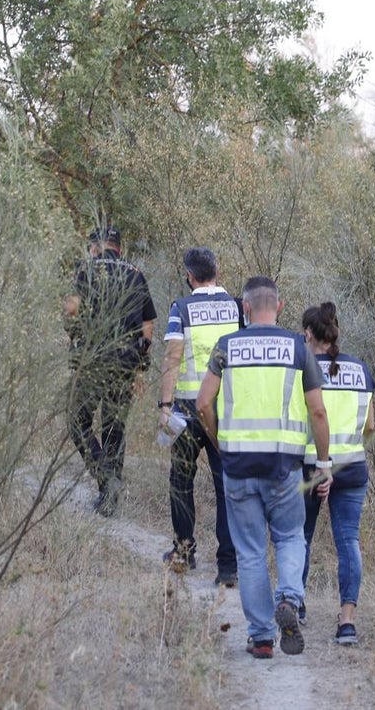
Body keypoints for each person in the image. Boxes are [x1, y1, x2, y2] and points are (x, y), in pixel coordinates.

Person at [196, 276, 332, 660]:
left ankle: (260, 637)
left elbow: (203, 403)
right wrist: (323, 463)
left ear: (244, 307)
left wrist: (221, 441)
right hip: (283, 467)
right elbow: (318, 411)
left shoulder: (226, 347)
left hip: (237, 466)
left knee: (251, 552)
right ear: (281, 306)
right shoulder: (297, 347)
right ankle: (289, 597)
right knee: (290, 538)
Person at [157, 247, 242, 586]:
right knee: (226, 487)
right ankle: (228, 567)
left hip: (189, 410)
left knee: (181, 481)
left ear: (190, 276)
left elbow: (173, 356)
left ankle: (183, 552)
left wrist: (165, 405)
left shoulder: (182, 307)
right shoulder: (237, 307)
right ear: (216, 271)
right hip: (226, 410)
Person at [298, 302, 375, 646]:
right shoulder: (361, 369)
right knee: (348, 542)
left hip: (312, 464)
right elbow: (370, 426)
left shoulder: (303, 367)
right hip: (352, 467)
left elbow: (309, 417)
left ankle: (295, 603)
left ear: (308, 334)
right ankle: (347, 622)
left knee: (299, 536)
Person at [64, 226, 156, 517]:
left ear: (95, 246)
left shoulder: (85, 269)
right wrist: (140, 369)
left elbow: (71, 310)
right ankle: (109, 500)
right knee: (114, 426)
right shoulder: (136, 273)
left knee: (77, 420)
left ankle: (105, 477)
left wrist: (74, 331)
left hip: (93, 359)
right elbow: (148, 326)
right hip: (126, 360)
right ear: (119, 247)